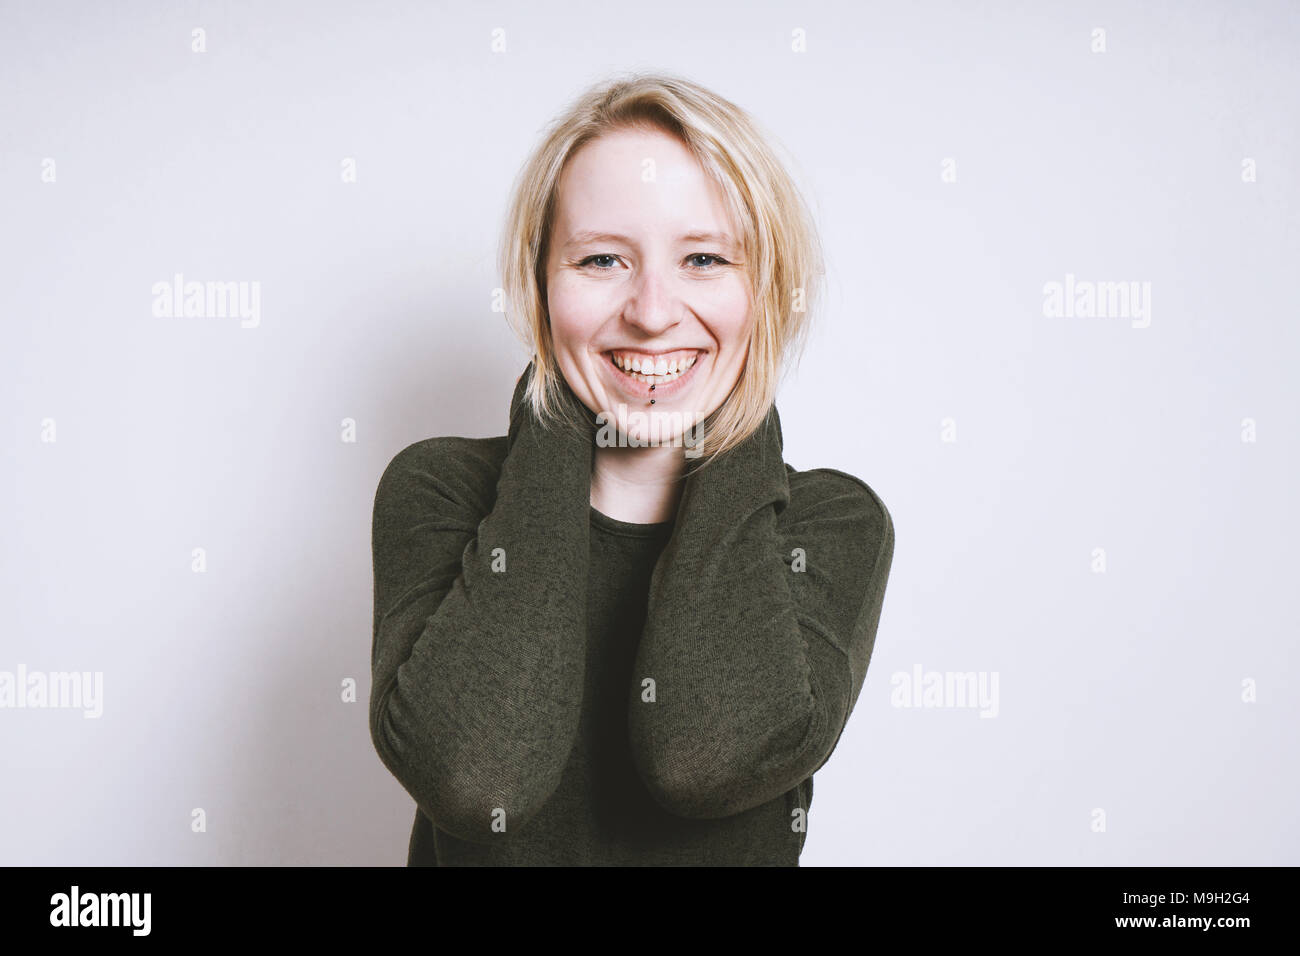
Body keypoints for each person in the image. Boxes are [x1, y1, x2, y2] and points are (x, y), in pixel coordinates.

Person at [369, 70, 895, 866]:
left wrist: (733, 407)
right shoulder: (439, 492)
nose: (651, 312)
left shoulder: (831, 525)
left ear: (768, 288)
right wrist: (557, 397)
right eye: (602, 260)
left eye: (707, 260)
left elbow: (703, 758)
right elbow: (483, 780)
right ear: (541, 287)